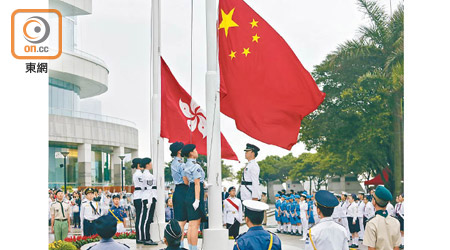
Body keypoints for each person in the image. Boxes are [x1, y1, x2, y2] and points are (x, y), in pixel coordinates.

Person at [183, 144, 206, 250]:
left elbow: (185, 181)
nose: (197, 151)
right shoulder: (195, 166)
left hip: (189, 192)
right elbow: (197, 184)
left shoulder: (185, 165)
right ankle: (194, 248)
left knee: (191, 225)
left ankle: (192, 248)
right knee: (195, 225)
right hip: (195, 194)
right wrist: (197, 199)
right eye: (195, 150)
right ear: (191, 153)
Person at [169, 141, 189, 247]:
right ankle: (180, 246)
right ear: (179, 151)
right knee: (182, 221)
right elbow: (186, 181)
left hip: (178, 191)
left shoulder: (174, 163)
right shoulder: (181, 164)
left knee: (181, 221)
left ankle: (179, 245)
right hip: (183, 191)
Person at [141, 157, 158, 245]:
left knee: (148, 218)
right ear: (147, 164)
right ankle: (146, 238)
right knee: (147, 218)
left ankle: (146, 237)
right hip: (149, 197)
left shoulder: (148, 174)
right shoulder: (147, 175)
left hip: (150, 197)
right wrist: (150, 200)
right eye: (150, 163)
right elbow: (149, 188)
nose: (151, 164)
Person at [131, 158, 145, 244]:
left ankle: (140, 236)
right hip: (139, 196)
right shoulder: (138, 174)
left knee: (140, 217)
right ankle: (139, 237)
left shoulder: (138, 174)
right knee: (139, 218)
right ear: (138, 165)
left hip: (138, 195)